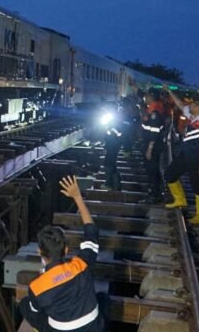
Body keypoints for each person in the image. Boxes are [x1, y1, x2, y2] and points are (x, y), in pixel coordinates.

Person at [19, 175, 105, 332]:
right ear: (66, 249)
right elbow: (91, 232)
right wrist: (77, 197)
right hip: (94, 328)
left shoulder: (37, 287)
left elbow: (36, 312)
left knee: (26, 305)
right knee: (104, 299)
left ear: (40, 252)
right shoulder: (81, 264)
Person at [164, 90, 199, 225]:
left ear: (198, 107)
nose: (189, 106)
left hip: (196, 158)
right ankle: (180, 200)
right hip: (185, 154)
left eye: (192, 105)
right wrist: (169, 91)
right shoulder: (192, 117)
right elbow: (180, 104)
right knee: (169, 175)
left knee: (197, 185)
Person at [139, 89, 165, 204]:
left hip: (152, 146)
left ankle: (153, 195)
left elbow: (154, 132)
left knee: (151, 170)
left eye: (147, 95)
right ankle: (156, 193)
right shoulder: (153, 109)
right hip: (152, 145)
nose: (145, 97)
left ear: (151, 97)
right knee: (153, 170)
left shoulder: (154, 113)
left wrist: (149, 148)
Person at [101, 105, 124, 191]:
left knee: (108, 164)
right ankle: (116, 183)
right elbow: (108, 135)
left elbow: (115, 133)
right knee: (111, 164)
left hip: (113, 145)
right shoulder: (112, 120)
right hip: (112, 144)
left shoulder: (114, 120)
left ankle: (109, 183)